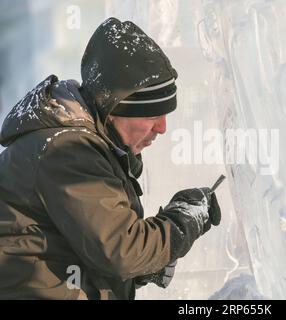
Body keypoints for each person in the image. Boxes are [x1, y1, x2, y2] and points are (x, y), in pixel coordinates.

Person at [0, 17, 221, 300]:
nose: (162, 128)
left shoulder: (82, 144)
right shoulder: (67, 151)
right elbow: (121, 251)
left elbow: (82, 246)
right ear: (115, 109)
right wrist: (181, 222)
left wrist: (145, 266)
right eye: (153, 115)